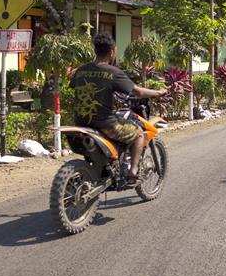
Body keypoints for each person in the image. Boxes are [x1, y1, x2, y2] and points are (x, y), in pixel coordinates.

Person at [70, 33, 166, 180]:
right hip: (105, 124)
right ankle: (133, 172)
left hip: (81, 122)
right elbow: (137, 92)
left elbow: (75, 86)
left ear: (95, 50)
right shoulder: (114, 72)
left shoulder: (80, 70)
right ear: (112, 52)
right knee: (139, 134)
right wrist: (158, 92)